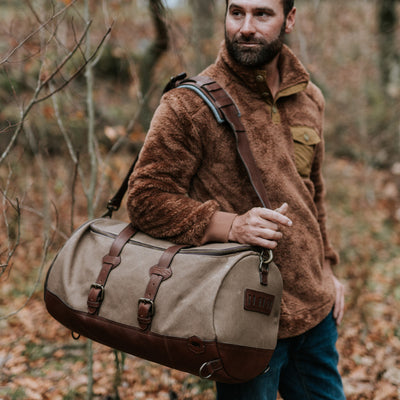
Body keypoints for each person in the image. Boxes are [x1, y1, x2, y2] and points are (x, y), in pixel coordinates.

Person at [127, 0, 346, 398]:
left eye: (262, 14)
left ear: (289, 19)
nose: (245, 27)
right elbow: (145, 199)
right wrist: (233, 225)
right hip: (245, 317)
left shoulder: (309, 98)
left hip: (316, 313)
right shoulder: (188, 104)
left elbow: (313, 192)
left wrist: (328, 268)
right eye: (236, 12)